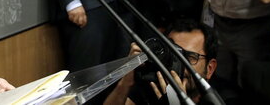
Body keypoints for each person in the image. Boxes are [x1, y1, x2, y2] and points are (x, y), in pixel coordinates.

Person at [104, 18, 248, 105]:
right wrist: (126, 81)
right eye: (173, 54)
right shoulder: (155, 83)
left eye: (189, 57)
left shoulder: (225, 99)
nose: (178, 64)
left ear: (210, 68)